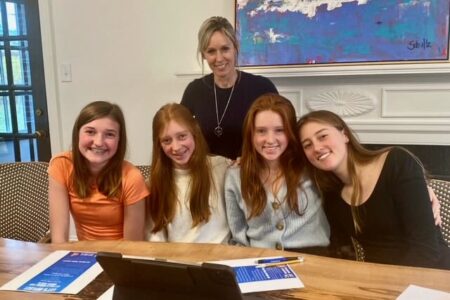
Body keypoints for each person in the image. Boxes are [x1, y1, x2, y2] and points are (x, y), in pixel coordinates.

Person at [297, 110, 450, 269]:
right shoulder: (331, 195)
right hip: (376, 280)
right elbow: (340, 251)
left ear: (345, 135)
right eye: (307, 145)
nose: (316, 147)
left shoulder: (396, 162)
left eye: (322, 136)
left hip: (431, 274)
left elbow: (426, 250)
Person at [224, 94, 330, 253]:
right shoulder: (235, 175)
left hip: (313, 257)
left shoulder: (310, 166)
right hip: (259, 258)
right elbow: (238, 233)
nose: (270, 140)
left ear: (290, 133)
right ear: (250, 134)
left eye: (280, 130)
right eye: (261, 131)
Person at [48, 101, 149, 243]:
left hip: (119, 259)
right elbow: (59, 240)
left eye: (109, 134)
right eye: (90, 132)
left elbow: (133, 248)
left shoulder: (132, 177)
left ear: (119, 140)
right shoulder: (61, 165)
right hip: (84, 256)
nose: (99, 142)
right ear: (77, 134)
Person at [181, 16, 278, 160]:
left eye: (225, 49)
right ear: (204, 55)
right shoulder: (194, 90)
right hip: (207, 173)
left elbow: (280, 135)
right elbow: (179, 134)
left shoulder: (262, 87)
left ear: (235, 48)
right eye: (211, 51)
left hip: (250, 172)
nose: (219, 58)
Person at [146, 103, 230, 243]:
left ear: (194, 132)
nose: (176, 147)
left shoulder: (223, 167)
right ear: (159, 144)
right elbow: (155, 239)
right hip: (180, 262)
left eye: (182, 136)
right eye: (167, 140)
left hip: (222, 261)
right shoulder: (153, 184)